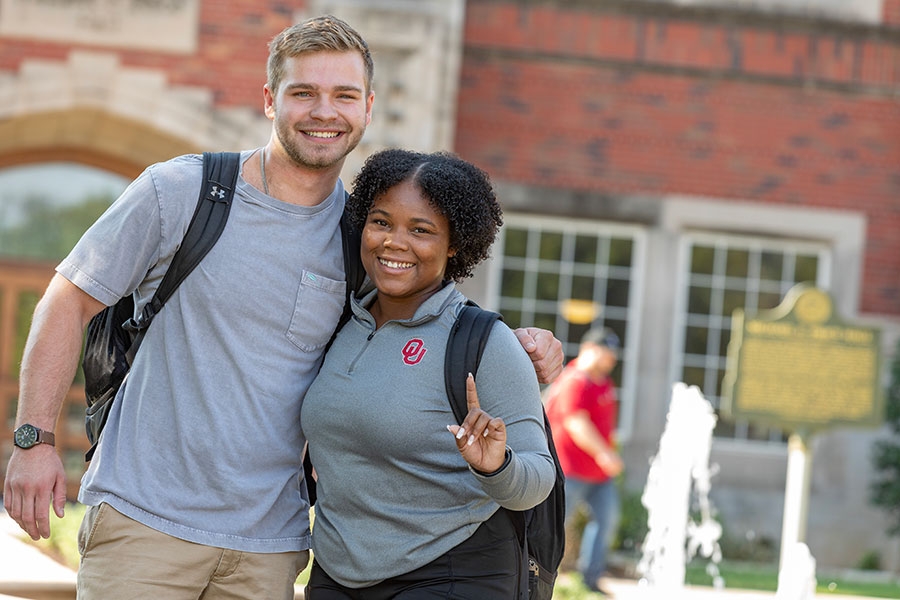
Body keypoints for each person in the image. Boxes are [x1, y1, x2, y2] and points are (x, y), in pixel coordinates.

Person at [2, 15, 563, 600]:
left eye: (343, 95)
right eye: (304, 93)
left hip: (269, 549)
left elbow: (425, 316)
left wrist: (520, 347)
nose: (325, 111)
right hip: (145, 523)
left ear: (368, 107)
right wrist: (34, 439)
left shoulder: (361, 237)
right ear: (271, 100)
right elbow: (66, 301)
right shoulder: (182, 192)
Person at [301, 148, 556, 598]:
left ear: (454, 244)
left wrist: (496, 465)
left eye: (421, 230)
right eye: (381, 222)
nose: (394, 243)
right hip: (336, 573)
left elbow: (537, 479)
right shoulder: (338, 322)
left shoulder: (484, 342)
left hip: (450, 574)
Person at [545, 326, 624, 596]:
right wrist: (604, 453)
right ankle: (541, 578)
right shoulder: (575, 380)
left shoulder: (604, 383)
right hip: (570, 470)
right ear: (589, 349)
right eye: (607, 352)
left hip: (599, 475)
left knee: (606, 521)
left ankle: (590, 580)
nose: (612, 359)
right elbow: (577, 423)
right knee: (554, 525)